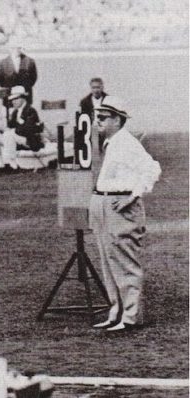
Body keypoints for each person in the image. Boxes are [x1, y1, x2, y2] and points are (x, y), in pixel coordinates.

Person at [89, 96, 161, 332]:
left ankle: (131, 316)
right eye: (97, 116)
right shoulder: (111, 142)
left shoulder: (127, 143)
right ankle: (116, 312)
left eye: (103, 117)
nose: (98, 121)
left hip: (120, 206)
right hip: (103, 203)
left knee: (124, 261)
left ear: (118, 120)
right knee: (108, 261)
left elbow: (152, 169)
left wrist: (133, 195)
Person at [0, 86, 43, 171]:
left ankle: (13, 166)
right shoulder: (16, 112)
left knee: (9, 134)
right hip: (14, 139)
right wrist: (0, 127)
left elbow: (28, 129)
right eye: (12, 100)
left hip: (29, 141)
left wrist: (10, 130)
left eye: (16, 99)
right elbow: (10, 126)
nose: (13, 102)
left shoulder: (30, 110)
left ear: (23, 98)